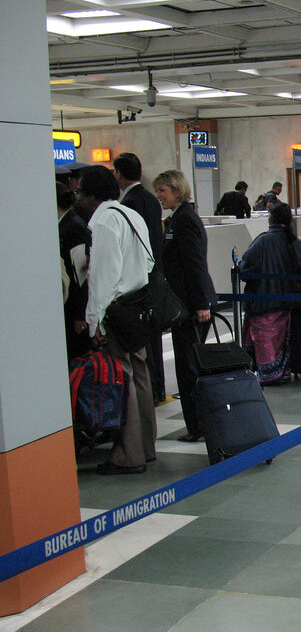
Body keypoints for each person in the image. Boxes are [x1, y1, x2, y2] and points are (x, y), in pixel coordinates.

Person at [77, 165, 156, 474]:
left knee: (120, 378)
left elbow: (103, 277)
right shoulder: (130, 215)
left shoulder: (105, 222)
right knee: (140, 375)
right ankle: (147, 446)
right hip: (138, 304)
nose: (79, 199)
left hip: (116, 309)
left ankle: (129, 454)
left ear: (92, 195)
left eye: (81, 193)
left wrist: (94, 320)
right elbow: (147, 261)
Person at [153, 170, 217, 441]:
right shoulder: (178, 219)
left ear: (177, 191)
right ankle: (197, 424)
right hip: (187, 305)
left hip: (192, 307)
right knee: (187, 366)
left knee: (189, 368)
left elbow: (194, 264)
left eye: (163, 191)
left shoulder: (185, 221)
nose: (159, 196)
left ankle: (199, 425)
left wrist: (202, 303)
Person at [113, 151, 166, 406]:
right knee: (153, 337)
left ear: (119, 174)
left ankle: (152, 389)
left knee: (144, 341)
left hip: (139, 280)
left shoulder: (130, 203)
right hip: (153, 273)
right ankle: (157, 388)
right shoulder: (149, 199)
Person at [240, 202, 301, 384]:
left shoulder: (262, 241)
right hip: (287, 305)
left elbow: (245, 270)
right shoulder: (295, 243)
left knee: (265, 342)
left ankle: (268, 374)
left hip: (263, 303)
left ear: (271, 219)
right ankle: (282, 372)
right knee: (282, 342)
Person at [57, 180, 91, 363]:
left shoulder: (72, 228)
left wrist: (80, 314)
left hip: (76, 308)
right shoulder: (68, 224)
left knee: (79, 358)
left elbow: (81, 275)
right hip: (72, 305)